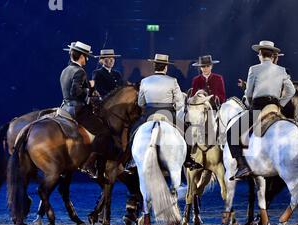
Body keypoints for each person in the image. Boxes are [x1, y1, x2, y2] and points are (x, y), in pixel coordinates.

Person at [227, 40, 296, 180]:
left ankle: (242, 166)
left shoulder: (254, 69)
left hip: (258, 107)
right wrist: (280, 104)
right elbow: (291, 91)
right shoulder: (281, 70)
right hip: (275, 107)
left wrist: (249, 102)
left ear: (260, 54)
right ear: (272, 56)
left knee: (232, 132)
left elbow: (250, 92)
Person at [124, 54, 202, 172]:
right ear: (166, 67)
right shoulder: (173, 81)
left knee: (133, 131)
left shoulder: (145, 81)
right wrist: (174, 107)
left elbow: (140, 103)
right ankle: (188, 159)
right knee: (187, 131)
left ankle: (132, 160)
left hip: (149, 115)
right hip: (168, 114)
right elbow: (180, 102)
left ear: (154, 66)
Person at [60, 41, 121, 178]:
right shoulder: (79, 71)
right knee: (104, 131)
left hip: (65, 106)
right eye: (86, 56)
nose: (87, 59)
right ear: (81, 56)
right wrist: (90, 89)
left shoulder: (66, 70)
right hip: (78, 109)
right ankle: (89, 163)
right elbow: (76, 92)